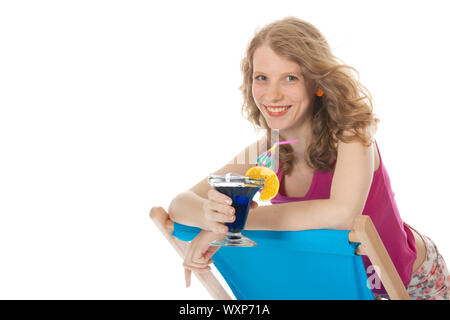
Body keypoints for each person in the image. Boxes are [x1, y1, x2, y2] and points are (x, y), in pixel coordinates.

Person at [168, 17, 449, 300]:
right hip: (342, 287)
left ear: (317, 83)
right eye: (261, 78)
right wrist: (212, 217)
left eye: (290, 78)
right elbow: (180, 204)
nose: (272, 94)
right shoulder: (266, 151)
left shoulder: (352, 135)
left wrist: (236, 224)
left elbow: (342, 214)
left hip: (410, 280)